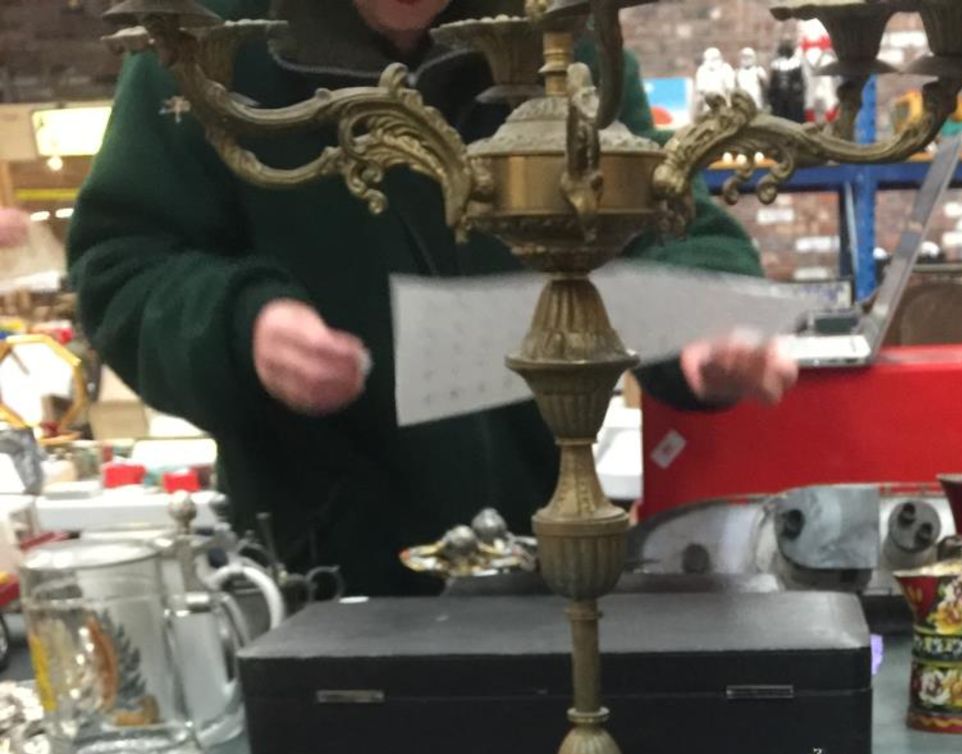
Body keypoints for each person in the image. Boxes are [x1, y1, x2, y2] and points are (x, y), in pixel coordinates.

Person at [69, 0, 796, 596]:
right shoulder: (208, 39)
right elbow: (124, 264)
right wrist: (241, 327)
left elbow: (671, 226)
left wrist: (703, 316)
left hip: (538, 561)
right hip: (314, 579)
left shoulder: (563, 36)